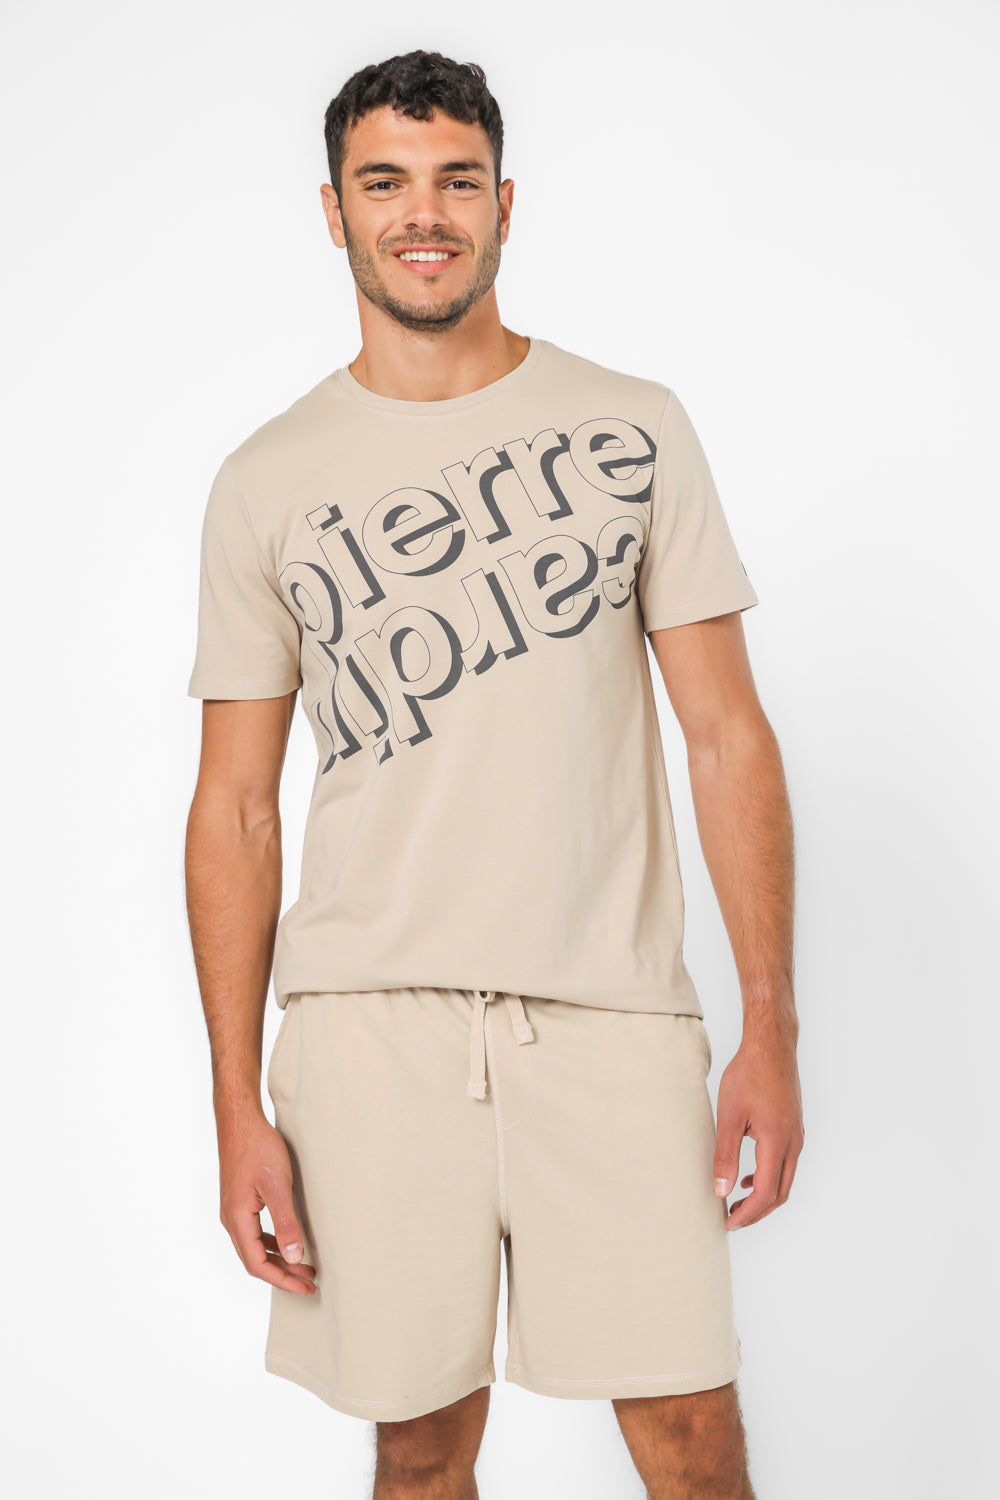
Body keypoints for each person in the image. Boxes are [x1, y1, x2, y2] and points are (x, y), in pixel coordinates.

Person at [184, 48, 803, 1500]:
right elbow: (236, 808)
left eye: (457, 180)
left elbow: (728, 736)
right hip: (371, 1032)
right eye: (385, 182)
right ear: (333, 211)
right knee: (418, 1448)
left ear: (505, 204)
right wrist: (234, 1103)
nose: (425, 213)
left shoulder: (634, 426)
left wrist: (770, 1026)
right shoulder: (265, 479)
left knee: (692, 1436)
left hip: (608, 1016)